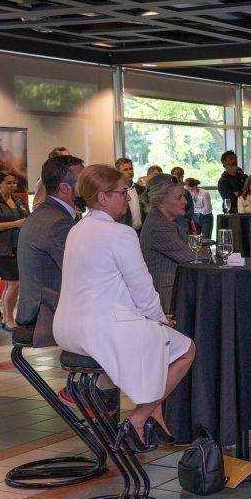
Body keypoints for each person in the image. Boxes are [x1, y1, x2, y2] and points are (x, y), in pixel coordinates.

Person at [53, 164, 195, 452]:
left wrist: (151, 318)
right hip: (102, 329)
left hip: (68, 327)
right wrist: (159, 320)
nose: (128, 199)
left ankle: (154, 416)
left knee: (159, 339)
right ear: (102, 198)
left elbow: (106, 287)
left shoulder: (77, 229)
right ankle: (140, 419)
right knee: (185, 349)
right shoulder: (120, 233)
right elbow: (142, 288)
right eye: (122, 192)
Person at [16, 154, 85, 347]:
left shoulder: (46, 213)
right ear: (65, 187)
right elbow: (83, 272)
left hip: (38, 306)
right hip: (45, 313)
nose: (90, 187)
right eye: (84, 181)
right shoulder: (58, 222)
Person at [0, 170, 30, 331]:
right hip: (1, 249)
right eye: (8, 183)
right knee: (13, 283)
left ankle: (7, 317)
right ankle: (9, 319)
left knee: (13, 284)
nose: (13, 186)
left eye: (14, 183)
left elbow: (27, 218)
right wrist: (15, 224)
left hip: (19, 247)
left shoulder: (18, 201)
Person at [140, 174, 195, 314]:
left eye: (184, 196)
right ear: (161, 201)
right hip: (168, 297)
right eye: (178, 197)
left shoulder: (166, 221)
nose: (185, 202)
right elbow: (191, 257)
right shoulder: (159, 226)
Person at [114, 157, 146, 234]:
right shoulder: (115, 191)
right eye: (125, 170)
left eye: (131, 169)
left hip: (142, 231)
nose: (129, 172)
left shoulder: (141, 189)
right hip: (124, 231)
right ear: (118, 172)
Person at [217, 150, 246, 214]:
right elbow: (230, 199)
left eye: (235, 158)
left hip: (246, 210)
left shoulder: (244, 177)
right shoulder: (222, 181)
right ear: (224, 162)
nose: (234, 160)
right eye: (231, 158)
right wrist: (243, 191)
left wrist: (237, 193)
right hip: (231, 213)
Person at [170, 166, 195, 232]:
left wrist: (186, 219)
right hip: (171, 221)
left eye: (181, 176)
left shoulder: (186, 191)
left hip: (184, 221)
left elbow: (191, 206)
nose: (179, 178)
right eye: (177, 175)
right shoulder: (167, 191)